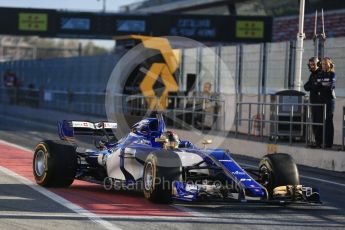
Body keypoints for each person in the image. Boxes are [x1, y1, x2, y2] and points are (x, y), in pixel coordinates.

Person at [304, 57, 323, 148]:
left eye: (313, 64)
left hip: (319, 102)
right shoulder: (312, 75)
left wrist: (313, 85)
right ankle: (317, 142)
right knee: (314, 122)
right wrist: (313, 85)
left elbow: (317, 86)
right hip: (314, 102)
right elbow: (306, 87)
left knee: (320, 122)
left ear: (318, 64)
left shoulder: (320, 73)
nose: (311, 66)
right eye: (310, 64)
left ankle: (320, 142)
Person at [319, 57, 336, 148]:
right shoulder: (321, 74)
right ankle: (323, 142)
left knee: (329, 120)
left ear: (330, 65)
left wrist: (322, 84)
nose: (324, 65)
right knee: (322, 121)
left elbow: (330, 86)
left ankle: (329, 143)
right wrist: (323, 83)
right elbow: (317, 85)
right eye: (322, 64)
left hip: (330, 100)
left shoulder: (332, 74)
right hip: (322, 99)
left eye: (325, 64)